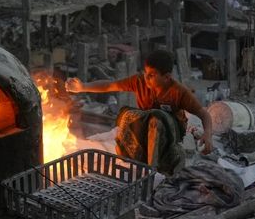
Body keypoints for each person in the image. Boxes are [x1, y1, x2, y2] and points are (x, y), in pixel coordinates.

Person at [66, 49, 214, 174]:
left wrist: (207, 135)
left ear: (167, 77)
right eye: (145, 73)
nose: (146, 78)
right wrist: (83, 87)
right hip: (147, 125)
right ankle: (133, 157)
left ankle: (151, 169)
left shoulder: (178, 92)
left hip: (170, 131)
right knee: (127, 115)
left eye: (152, 75)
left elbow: (203, 114)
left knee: (156, 119)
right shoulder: (139, 82)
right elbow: (110, 85)